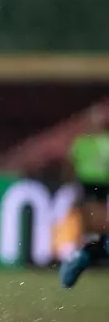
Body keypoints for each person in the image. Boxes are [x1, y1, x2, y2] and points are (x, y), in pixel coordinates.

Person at [59, 105, 109, 288]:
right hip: (89, 186)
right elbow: (70, 164)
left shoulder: (97, 142)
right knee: (93, 229)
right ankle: (83, 256)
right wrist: (71, 185)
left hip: (101, 186)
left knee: (97, 231)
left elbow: (69, 163)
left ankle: (83, 257)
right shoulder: (82, 143)